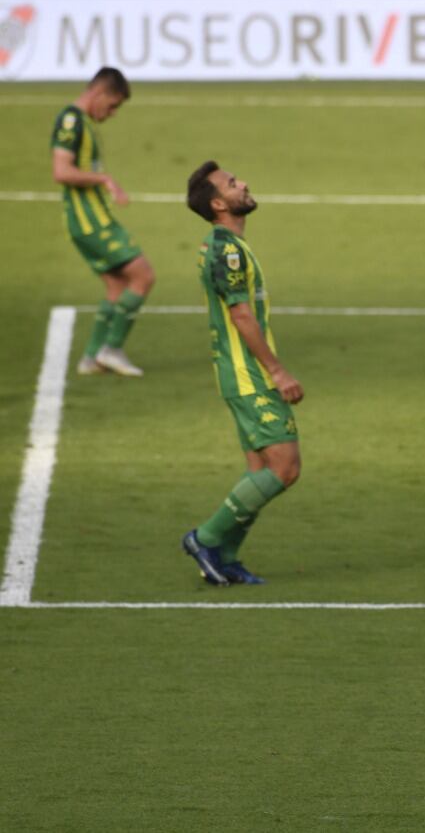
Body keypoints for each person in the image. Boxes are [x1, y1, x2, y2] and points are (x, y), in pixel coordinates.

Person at [180, 161, 304, 586]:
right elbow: (241, 316)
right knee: (284, 467)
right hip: (249, 375)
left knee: (260, 469)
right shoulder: (226, 250)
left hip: (238, 374)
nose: (243, 183)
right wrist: (278, 371)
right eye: (232, 184)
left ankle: (226, 557)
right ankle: (206, 538)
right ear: (218, 203)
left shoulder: (226, 244)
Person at [50, 66, 155, 377]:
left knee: (116, 285)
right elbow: (62, 171)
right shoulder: (71, 122)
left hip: (89, 219)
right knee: (143, 276)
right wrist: (104, 179)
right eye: (113, 105)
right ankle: (112, 348)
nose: (112, 113)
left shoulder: (82, 123)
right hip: (90, 221)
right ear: (100, 93)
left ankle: (92, 358)